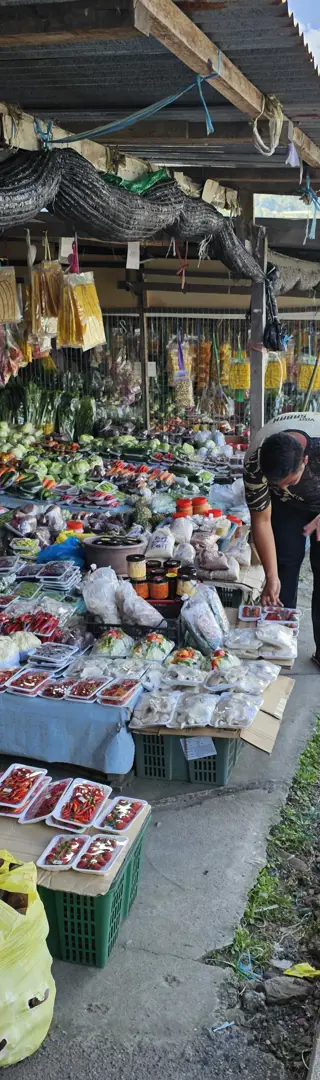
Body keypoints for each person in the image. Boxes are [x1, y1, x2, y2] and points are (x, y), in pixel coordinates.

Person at [244, 412, 320, 665]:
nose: (285, 488)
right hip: (287, 508)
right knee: (284, 561)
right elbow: (262, 520)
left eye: (291, 481)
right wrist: (271, 577)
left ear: (305, 461)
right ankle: (281, 644)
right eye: (279, 485)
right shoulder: (255, 462)